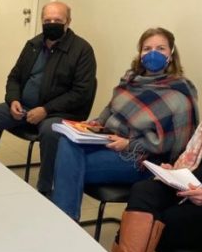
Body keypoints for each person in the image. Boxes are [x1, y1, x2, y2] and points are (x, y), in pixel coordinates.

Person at [51, 27, 198, 222]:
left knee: (68, 165)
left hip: (143, 160)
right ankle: (64, 221)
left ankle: (64, 222)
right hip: (110, 143)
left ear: (171, 55)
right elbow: (111, 110)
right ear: (140, 54)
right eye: (147, 48)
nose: (153, 53)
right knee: (66, 143)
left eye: (161, 48)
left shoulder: (179, 92)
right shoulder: (131, 79)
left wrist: (129, 144)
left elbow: (176, 146)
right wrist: (92, 125)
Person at [0, 1, 97, 196]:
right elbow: (14, 77)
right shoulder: (33, 45)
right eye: (47, 20)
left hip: (59, 113)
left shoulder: (82, 50)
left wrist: (46, 110)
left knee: (50, 132)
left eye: (58, 20)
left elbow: (80, 92)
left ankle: (45, 189)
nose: (52, 24)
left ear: (68, 22)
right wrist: (13, 99)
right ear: (41, 21)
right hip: (24, 107)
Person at [111, 120, 202, 252]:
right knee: (143, 191)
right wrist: (174, 171)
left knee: (152, 219)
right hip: (190, 189)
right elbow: (194, 164)